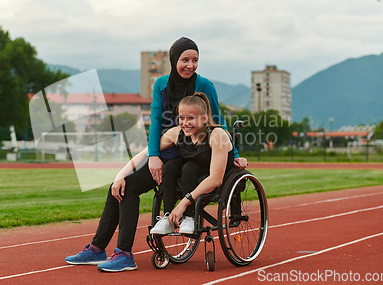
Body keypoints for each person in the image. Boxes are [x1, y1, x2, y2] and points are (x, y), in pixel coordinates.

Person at [65, 37, 247, 272]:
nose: (190, 65)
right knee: (121, 186)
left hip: (195, 154)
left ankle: (122, 253)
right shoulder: (160, 85)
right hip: (168, 147)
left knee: (176, 171)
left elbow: (217, 122)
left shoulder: (205, 86)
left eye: (195, 60)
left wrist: (235, 155)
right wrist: (153, 156)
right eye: (185, 60)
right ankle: (99, 249)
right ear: (174, 60)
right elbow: (156, 123)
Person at [150, 92, 237, 235]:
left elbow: (216, 179)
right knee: (172, 166)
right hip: (189, 174)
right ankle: (166, 217)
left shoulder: (217, 135)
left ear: (204, 119)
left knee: (189, 167)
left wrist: (184, 203)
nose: (185, 122)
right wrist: (121, 176)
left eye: (191, 118)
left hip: (211, 180)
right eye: (181, 118)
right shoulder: (176, 133)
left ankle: (189, 217)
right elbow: (150, 149)